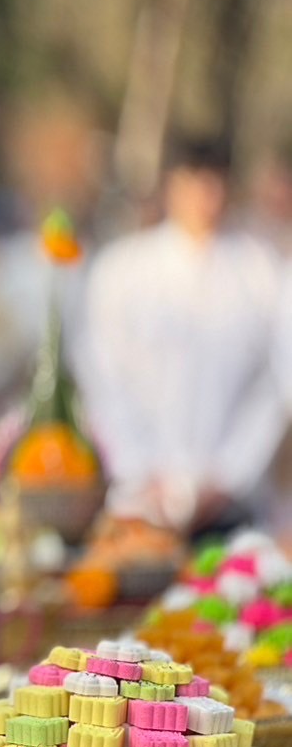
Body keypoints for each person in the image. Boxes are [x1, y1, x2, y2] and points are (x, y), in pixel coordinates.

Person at [83, 138, 292, 534]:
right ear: (170, 186)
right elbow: (103, 378)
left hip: (232, 503)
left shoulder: (262, 272)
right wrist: (142, 469)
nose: (205, 197)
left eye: (215, 183)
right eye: (193, 182)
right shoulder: (122, 271)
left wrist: (227, 478)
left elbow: (275, 383)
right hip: (141, 498)